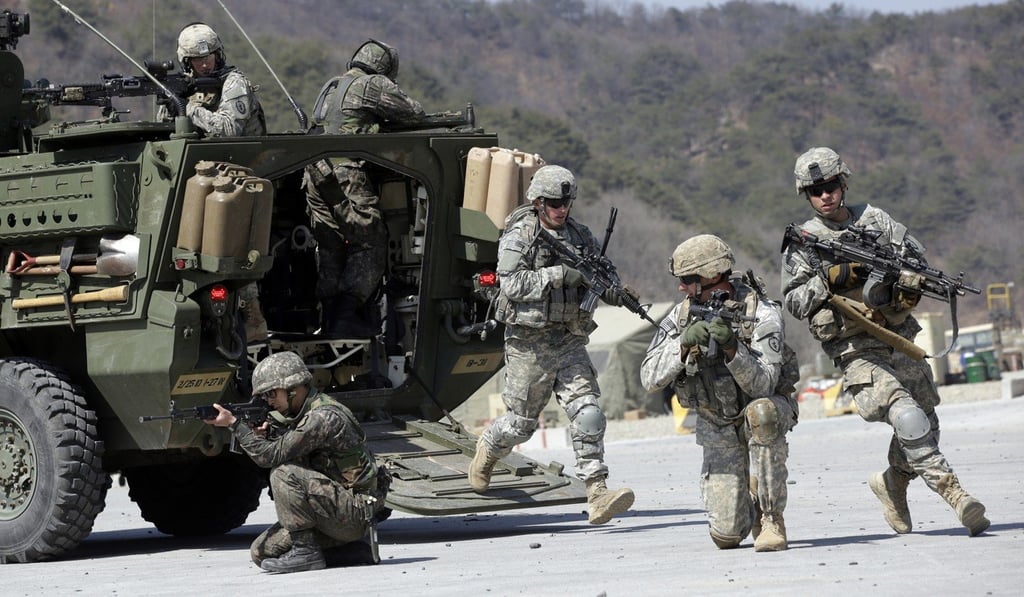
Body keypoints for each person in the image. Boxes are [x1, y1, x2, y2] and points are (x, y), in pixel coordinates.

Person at [780, 146, 989, 537]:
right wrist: (832, 277)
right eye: (815, 190)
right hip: (855, 348)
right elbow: (792, 301)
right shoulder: (805, 240)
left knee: (925, 422)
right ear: (806, 196)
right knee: (905, 413)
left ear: (843, 183)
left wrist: (909, 280)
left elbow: (917, 265)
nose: (824, 195)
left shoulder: (875, 220)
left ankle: (893, 482)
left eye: (829, 186)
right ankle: (956, 496)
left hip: (897, 336)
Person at [467, 164, 635, 525]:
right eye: (555, 203)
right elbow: (511, 284)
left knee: (588, 410)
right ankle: (489, 447)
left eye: (567, 202)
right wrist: (558, 274)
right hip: (529, 344)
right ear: (539, 202)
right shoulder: (520, 235)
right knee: (520, 426)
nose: (562, 209)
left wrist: (615, 291)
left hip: (569, 339)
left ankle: (596, 491)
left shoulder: (580, 235)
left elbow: (602, 274)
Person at [640, 235, 798, 551]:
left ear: (711, 276)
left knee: (762, 413)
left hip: (761, 408)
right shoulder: (681, 315)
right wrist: (681, 346)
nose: (681, 288)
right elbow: (649, 377)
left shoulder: (760, 313)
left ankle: (771, 518)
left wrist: (732, 348)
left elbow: (765, 384)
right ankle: (748, 499)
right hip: (717, 422)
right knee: (726, 536)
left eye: (687, 280)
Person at [206, 351, 387, 573]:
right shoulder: (303, 415)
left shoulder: (323, 417)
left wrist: (235, 425)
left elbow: (270, 457)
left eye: (272, 393)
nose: (269, 402)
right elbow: (290, 447)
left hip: (354, 512)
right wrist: (266, 434)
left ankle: (306, 553)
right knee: (261, 551)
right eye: (265, 397)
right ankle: (353, 551)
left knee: (283, 472)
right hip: (333, 510)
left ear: (294, 388)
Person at [303, 40, 426, 338]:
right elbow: (414, 113)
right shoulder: (372, 85)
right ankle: (348, 315)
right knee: (371, 241)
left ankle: (329, 318)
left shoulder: (333, 85)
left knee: (331, 245)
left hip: (314, 172)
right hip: (345, 171)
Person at [176, 22, 268, 341]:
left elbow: (229, 130)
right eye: (198, 60)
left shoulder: (233, 83)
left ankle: (252, 316)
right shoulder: (189, 89)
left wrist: (191, 110)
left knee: (234, 247)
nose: (206, 64)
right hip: (208, 181)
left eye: (210, 56)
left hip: (248, 181)